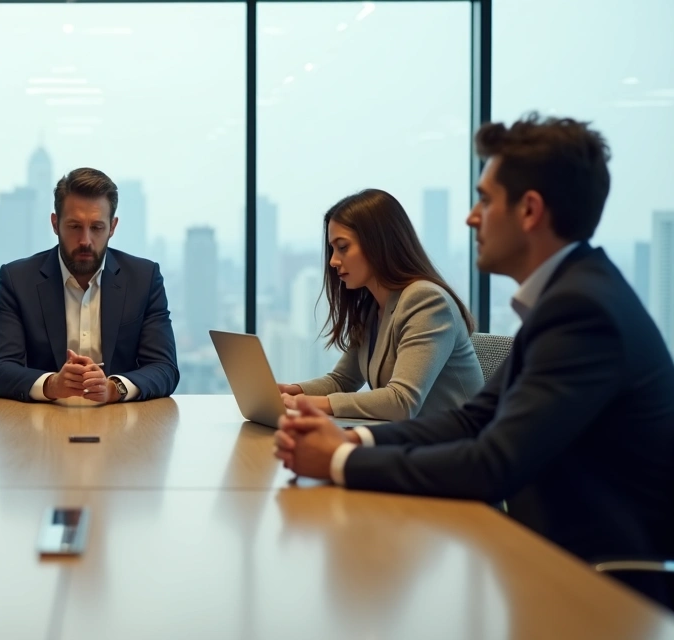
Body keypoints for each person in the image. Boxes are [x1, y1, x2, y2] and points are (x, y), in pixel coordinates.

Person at [275, 114, 674, 607]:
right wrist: (353, 437)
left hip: (599, 587)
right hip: (551, 564)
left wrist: (340, 459)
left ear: (529, 210)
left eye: (485, 200)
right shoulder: (569, 298)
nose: (471, 216)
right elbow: (472, 419)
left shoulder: (582, 312)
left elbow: (491, 462)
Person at [277, 189, 483, 421]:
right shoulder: (372, 307)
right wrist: (292, 391)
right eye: (332, 249)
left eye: (343, 247)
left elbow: (402, 402)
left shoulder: (426, 301)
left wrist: (313, 404)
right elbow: (342, 380)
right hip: (414, 441)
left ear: (378, 244)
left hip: (455, 447)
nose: (333, 261)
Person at [0, 167, 179, 403]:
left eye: (97, 228)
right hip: (41, 424)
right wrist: (52, 384)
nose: (85, 240)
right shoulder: (17, 280)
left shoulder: (144, 278)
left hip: (121, 423)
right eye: (75, 226)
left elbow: (165, 368)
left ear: (113, 227)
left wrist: (113, 388)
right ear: (55, 224)